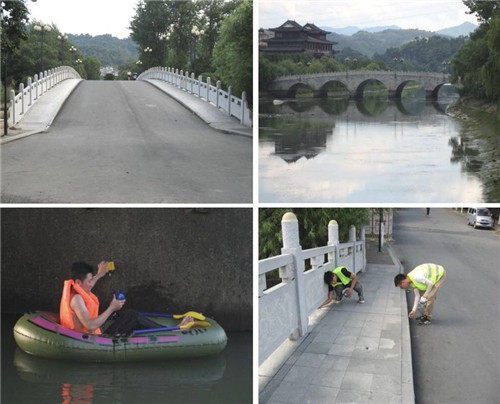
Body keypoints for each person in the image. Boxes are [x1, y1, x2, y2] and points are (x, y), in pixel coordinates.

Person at [59, 261, 166, 336]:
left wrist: (100, 274)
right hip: (93, 340)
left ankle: (156, 330)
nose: (91, 284)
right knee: (132, 315)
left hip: (95, 334)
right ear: (78, 282)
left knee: (121, 316)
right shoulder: (76, 300)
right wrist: (111, 308)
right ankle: (168, 331)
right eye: (89, 281)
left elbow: (89, 284)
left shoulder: (77, 290)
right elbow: (90, 326)